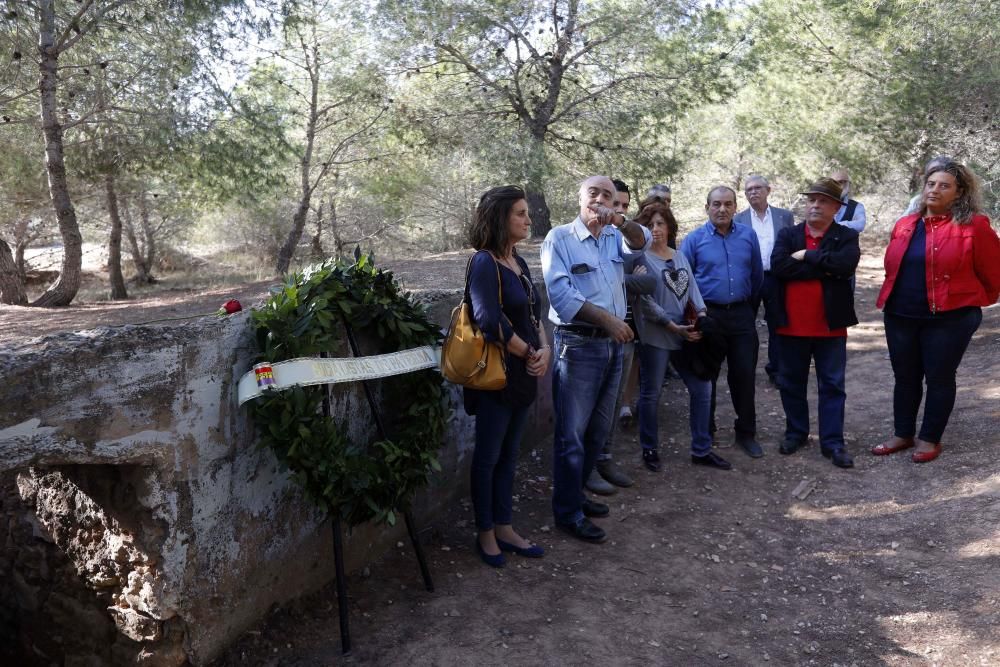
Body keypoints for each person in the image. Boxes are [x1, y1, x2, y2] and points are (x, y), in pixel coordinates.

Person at [541, 175, 650, 543]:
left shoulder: (613, 237)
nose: (601, 200)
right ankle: (567, 512)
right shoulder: (560, 238)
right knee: (571, 435)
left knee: (598, 431)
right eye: (594, 193)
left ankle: (577, 497)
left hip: (613, 346)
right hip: (580, 344)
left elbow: (643, 241)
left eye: (608, 195)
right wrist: (609, 321)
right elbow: (561, 296)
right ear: (580, 199)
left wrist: (619, 220)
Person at [873, 161, 1000, 463]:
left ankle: (929, 439)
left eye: (944, 185)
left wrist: (972, 300)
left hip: (950, 319)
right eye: (931, 183)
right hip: (900, 315)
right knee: (904, 377)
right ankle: (902, 434)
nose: (935, 189)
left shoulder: (974, 226)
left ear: (959, 193)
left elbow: (993, 273)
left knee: (940, 378)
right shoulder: (905, 224)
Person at [465, 185, 550, 567]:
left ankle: (504, 525)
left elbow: (534, 313)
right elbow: (487, 319)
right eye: (520, 213)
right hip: (495, 377)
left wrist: (544, 350)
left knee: (509, 455)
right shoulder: (484, 262)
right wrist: (528, 351)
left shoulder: (519, 261)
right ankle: (485, 533)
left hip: (524, 373)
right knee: (488, 457)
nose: (528, 220)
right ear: (500, 218)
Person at [770, 178, 861, 469]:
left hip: (830, 327)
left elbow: (846, 266)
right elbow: (780, 266)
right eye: (811, 200)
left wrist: (808, 256)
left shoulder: (845, 237)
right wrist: (824, 267)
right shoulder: (788, 234)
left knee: (833, 385)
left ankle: (832, 442)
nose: (815, 205)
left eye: (822, 201)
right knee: (791, 383)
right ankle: (796, 432)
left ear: (836, 207)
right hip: (790, 326)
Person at [633, 202, 730, 471]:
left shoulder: (679, 256)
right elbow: (643, 300)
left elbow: (693, 290)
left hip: (687, 335)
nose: (656, 229)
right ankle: (649, 448)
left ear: (669, 227)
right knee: (651, 394)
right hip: (656, 335)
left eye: (660, 224)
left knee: (702, 389)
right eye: (649, 225)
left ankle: (701, 449)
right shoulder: (640, 260)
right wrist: (669, 324)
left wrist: (700, 315)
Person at [680, 186, 765, 458]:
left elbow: (756, 277)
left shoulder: (748, 236)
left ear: (735, 206)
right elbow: (683, 282)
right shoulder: (694, 240)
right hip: (708, 316)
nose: (722, 209)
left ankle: (746, 433)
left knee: (744, 375)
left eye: (728, 204)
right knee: (708, 376)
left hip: (741, 315)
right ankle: (707, 432)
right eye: (716, 204)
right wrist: (695, 320)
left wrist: (747, 311)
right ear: (707, 207)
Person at [587, 178, 653, 494]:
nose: (619, 210)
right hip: (592, 336)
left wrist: (622, 278)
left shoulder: (622, 236)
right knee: (589, 407)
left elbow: (649, 279)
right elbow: (593, 281)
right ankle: (587, 467)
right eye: (616, 205)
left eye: (625, 206)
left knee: (612, 405)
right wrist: (626, 278)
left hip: (626, 334)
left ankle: (605, 458)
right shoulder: (584, 236)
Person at [734, 175, 795, 384]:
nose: (753, 192)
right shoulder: (738, 219)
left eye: (757, 188)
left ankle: (776, 370)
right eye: (748, 189)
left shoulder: (784, 216)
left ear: (768, 190)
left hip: (776, 277)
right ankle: (745, 370)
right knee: (745, 325)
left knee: (777, 324)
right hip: (749, 279)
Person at [829, 169, 867, 234]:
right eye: (834, 182)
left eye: (841, 182)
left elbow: (860, 225)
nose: (838, 185)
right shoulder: (823, 203)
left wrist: (834, 226)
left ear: (848, 184)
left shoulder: (857, 206)